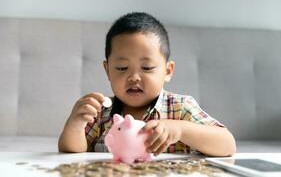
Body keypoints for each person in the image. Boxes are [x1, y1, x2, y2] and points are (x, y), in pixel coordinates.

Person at [58, 12, 236, 156]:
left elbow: (227, 145)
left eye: (147, 67)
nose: (134, 77)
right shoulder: (101, 113)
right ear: (107, 71)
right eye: (122, 68)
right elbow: (72, 151)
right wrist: (75, 124)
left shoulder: (180, 108)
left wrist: (180, 130)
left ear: (167, 71)